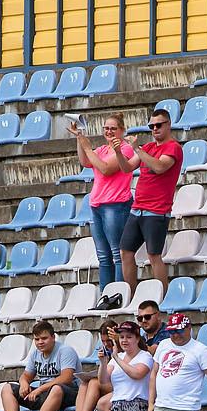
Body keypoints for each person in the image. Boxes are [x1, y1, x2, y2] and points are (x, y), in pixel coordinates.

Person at [68, 113, 138, 294]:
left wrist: (88, 149)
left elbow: (106, 169)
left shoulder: (125, 149)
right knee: (103, 256)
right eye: (106, 128)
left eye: (113, 128)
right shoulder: (102, 149)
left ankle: (119, 294)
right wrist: (80, 138)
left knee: (118, 253)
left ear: (122, 131)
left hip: (116, 204)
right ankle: (105, 295)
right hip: (98, 204)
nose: (109, 131)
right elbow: (85, 161)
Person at [124, 108, 183, 283]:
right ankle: (131, 296)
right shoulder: (149, 147)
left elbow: (159, 167)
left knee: (154, 256)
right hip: (138, 209)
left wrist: (137, 149)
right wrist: (119, 152)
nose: (155, 129)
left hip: (157, 211)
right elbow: (126, 168)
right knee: (125, 252)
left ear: (168, 124)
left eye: (158, 125)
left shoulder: (174, 147)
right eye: (152, 126)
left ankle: (161, 298)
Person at [0, 320, 82, 411]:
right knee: (7, 388)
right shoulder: (35, 353)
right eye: (37, 339)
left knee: (57, 388)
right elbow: (26, 375)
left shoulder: (65, 351)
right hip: (45, 394)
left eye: (44, 338)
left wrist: (39, 389)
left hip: (69, 393)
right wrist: (24, 383)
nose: (40, 342)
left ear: (53, 337)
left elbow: (66, 378)